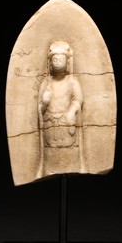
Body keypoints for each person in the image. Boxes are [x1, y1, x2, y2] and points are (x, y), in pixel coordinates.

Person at [37, 41, 85, 177]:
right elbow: (40, 106)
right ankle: (50, 170)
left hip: (66, 123)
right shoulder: (46, 83)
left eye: (61, 59)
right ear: (50, 63)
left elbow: (79, 99)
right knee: (52, 153)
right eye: (55, 59)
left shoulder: (72, 82)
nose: (58, 62)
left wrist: (72, 111)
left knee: (69, 152)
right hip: (51, 124)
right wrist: (44, 102)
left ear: (67, 62)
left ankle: (71, 167)